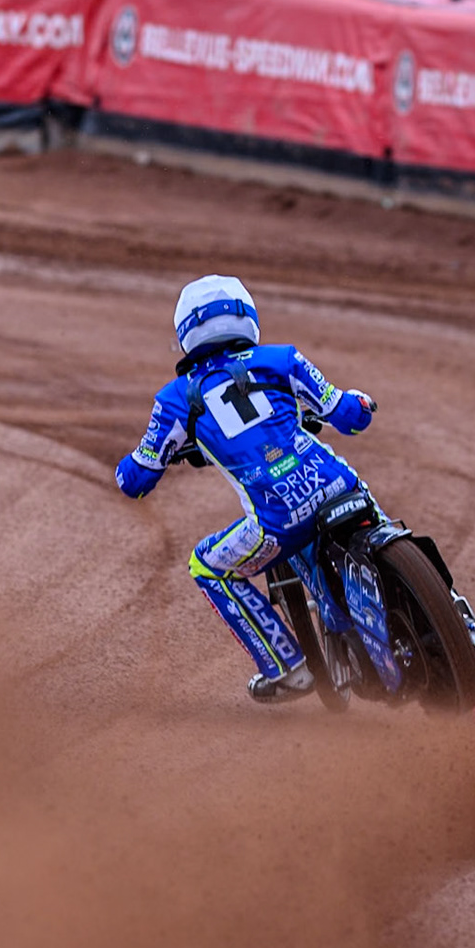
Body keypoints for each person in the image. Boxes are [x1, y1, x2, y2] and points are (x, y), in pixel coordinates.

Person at [114, 275, 378, 702]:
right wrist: (363, 403)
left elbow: (137, 480)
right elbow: (349, 416)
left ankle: (286, 667)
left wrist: (124, 472)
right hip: (337, 486)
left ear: (186, 333)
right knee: (386, 526)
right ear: (247, 317)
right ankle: (474, 639)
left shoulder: (177, 398)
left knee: (207, 565)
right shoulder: (283, 359)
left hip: (276, 523)